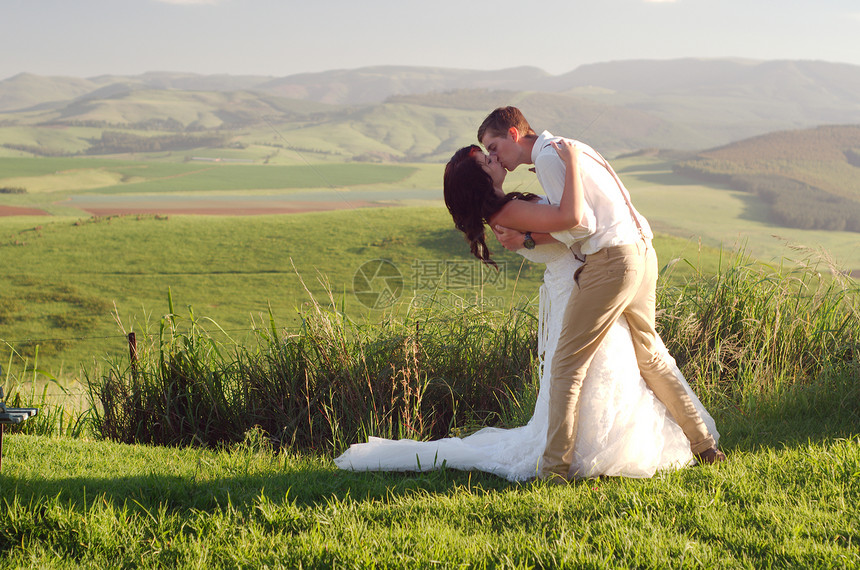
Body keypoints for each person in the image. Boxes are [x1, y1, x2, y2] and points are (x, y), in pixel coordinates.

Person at [333, 143, 720, 481]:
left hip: (589, 280)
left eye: (489, 152)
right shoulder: (506, 215)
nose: (493, 158)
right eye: (485, 159)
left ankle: (606, 448)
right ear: (480, 179)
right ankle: (568, 460)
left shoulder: (510, 208)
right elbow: (575, 222)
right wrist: (571, 165)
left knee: (620, 364)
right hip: (579, 286)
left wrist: (539, 227)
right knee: (586, 369)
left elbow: (564, 229)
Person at [478, 107, 725, 482]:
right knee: (652, 356)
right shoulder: (568, 147)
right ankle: (705, 447)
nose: (494, 157)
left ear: (514, 134)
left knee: (566, 365)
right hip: (642, 250)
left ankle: (554, 470)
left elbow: (580, 224)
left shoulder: (548, 158)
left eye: (494, 146)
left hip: (611, 261)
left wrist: (528, 237)